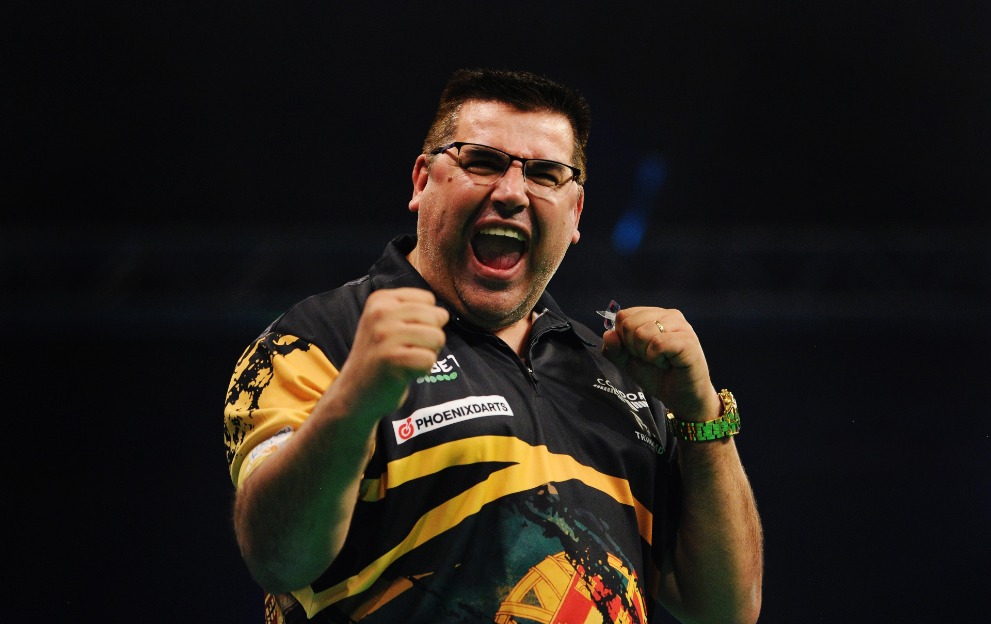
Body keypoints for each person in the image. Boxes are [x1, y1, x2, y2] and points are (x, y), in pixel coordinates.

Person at [224, 67, 763, 624]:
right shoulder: (317, 340)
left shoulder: (619, 372)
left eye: (545, 174)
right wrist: (357, 399)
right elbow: (278, 559)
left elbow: (726, 612)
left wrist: (701, 418)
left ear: (576, 212)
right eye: (481, 161)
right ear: (422, 181)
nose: (510, 193)